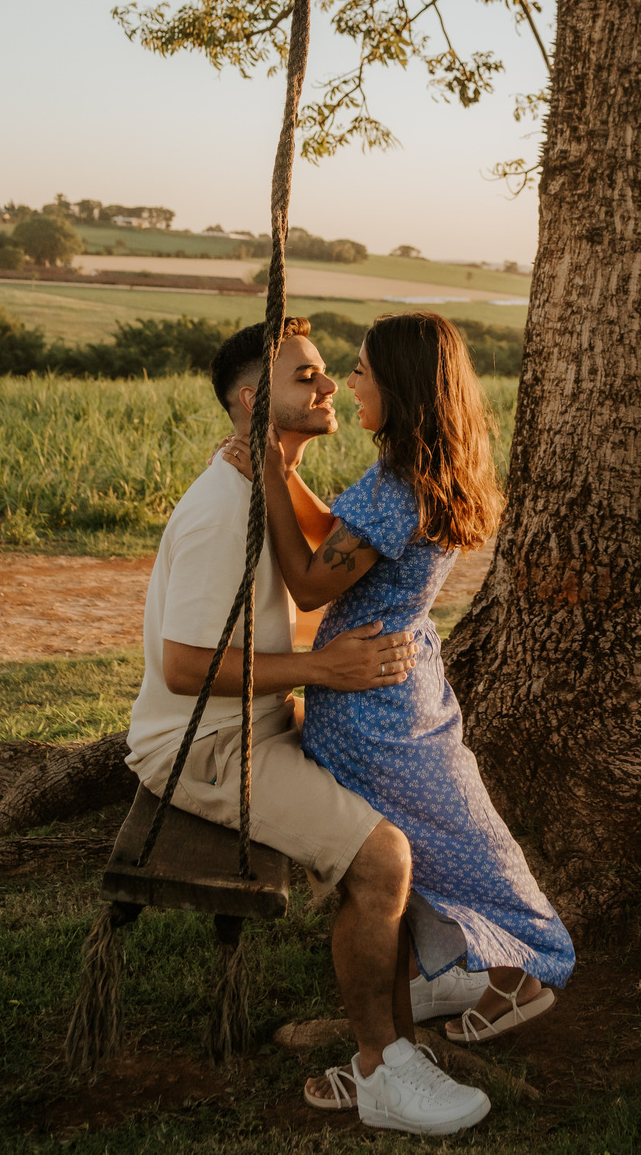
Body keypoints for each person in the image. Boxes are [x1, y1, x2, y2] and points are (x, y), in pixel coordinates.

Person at [125, 316, 491, 1137]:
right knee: (383, 854)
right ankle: (380, 1070)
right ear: (255, 403)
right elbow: (184, 669)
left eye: (333, 373)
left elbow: (329, 550)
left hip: (257, 721)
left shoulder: (262, 485)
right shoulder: (226, 508)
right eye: (308, 377)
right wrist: (322, 671)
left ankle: (421, 1001)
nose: (328, 386)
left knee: (397, 817)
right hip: (206, 747)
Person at [222, 310, 575, 1111]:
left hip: (374, 712)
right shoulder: (421, 472)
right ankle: (422, 996)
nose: (349, 384)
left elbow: (314, 583)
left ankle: (510, 976)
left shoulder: (397, 486)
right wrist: (281, 469)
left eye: (363, 372)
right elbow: (334, 539)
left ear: (404, 389)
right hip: (402, 690)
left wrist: (271, 471)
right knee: (432, 842)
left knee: (407, 856)